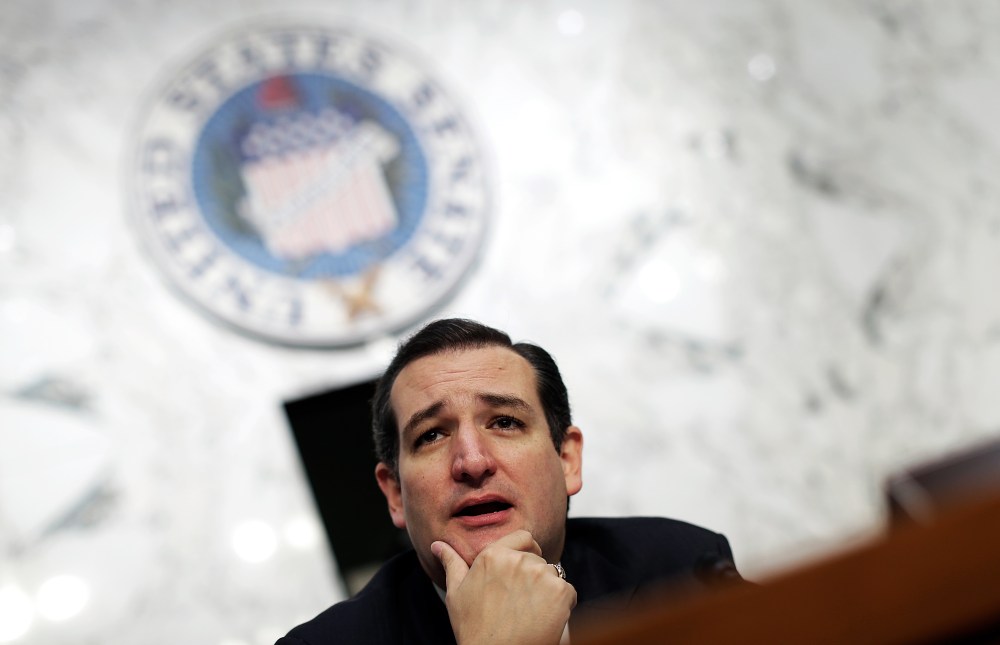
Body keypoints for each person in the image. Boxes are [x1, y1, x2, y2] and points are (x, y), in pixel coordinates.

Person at [277, 318, 740, 645]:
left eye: (504, 422)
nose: (472, 462)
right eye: (432, 434)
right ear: (395, 494)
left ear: (566, 459)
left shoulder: (683, 570)